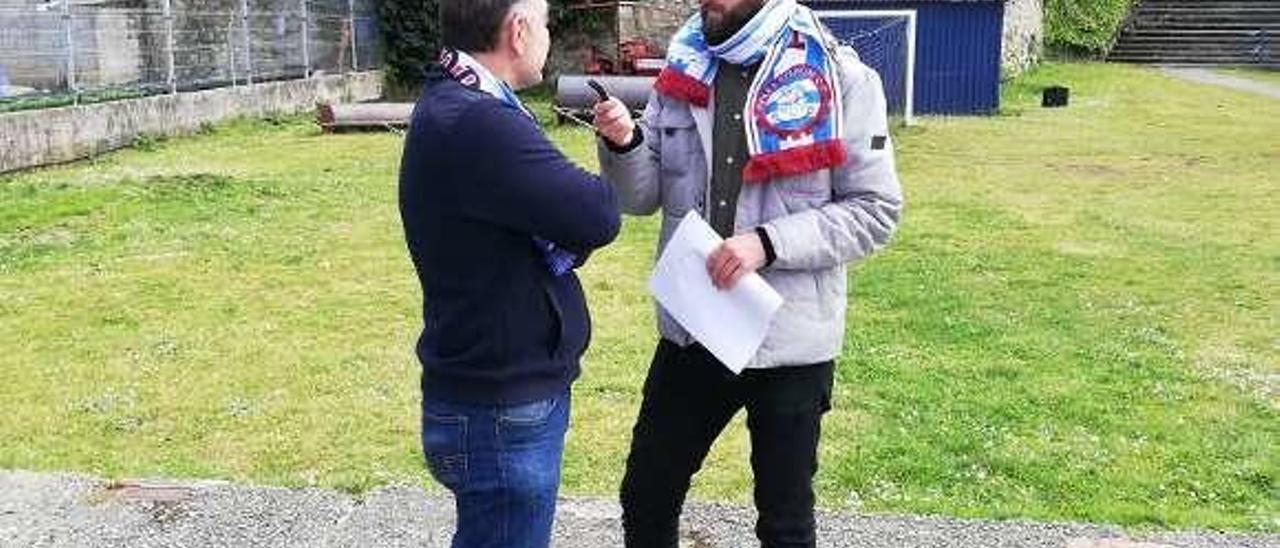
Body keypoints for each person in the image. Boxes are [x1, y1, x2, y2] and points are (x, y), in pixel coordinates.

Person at [593, 0, 904, 545]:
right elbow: (640, 196)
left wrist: (769, 243)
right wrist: (624, 143)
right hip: (695, 326)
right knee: (646, 494)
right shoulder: (684, 69)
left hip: (788, 339)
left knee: (784, 522)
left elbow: (875, 211)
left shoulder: (843, 79)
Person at [397, 0, 620, 545]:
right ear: (517, 32)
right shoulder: (479, 120)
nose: (548, 34)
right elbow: (596, 214)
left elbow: (545, 214)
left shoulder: (461, 103)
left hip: (487, 394)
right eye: (544, 23)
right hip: (499, 408)